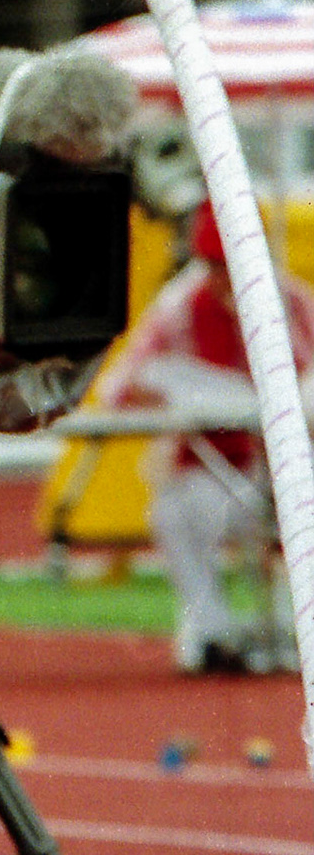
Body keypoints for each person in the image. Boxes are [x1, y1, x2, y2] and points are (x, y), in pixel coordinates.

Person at [101, 197, 314, 673]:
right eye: (217, 265)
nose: (227, 277)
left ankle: (294, 626)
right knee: (175, 511)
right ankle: (212, 632)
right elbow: (119, 389)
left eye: (237, 262)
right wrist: (171, 393)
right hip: (216, 473)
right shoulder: (178, 309)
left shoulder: (294, 304)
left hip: (288, 472)